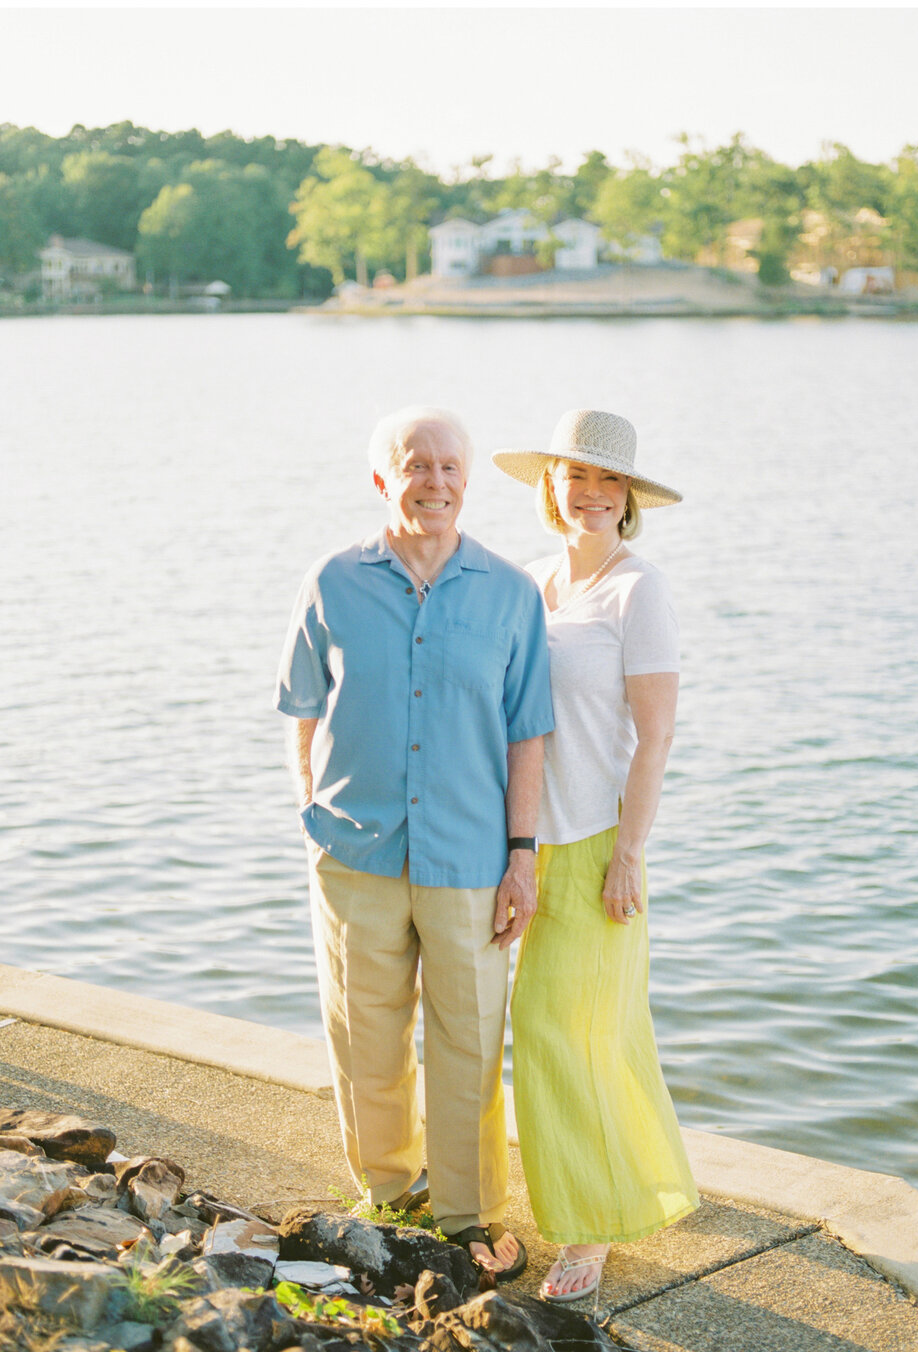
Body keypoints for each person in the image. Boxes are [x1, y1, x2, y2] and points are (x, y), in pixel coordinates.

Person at [274, 406, 553, 1280]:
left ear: (467, 480)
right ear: (381, 479)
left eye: (448, 468)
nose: (434, 482)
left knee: (470, 1038)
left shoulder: (509, 593)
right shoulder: (331, 581)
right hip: (354, 852)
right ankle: (390, 1192)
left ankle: (469, 1214)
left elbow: (528, 736)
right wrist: (309, 806)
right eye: (415, 466)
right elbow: (300, 709)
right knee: (366, 1030)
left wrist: (522, 855)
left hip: (471, 856)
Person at [492, 409, 699, 1303]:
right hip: (529, 842)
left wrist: (629, 854)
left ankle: (583, 1230)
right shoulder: (534, 584)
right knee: (593, 1033)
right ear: (550, 488)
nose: (587, 493)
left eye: (606, 481)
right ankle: (636, 1185)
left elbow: (655, 739)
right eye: (573, 477)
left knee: (558, 1031)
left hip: (596, 847)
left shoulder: (636, 590)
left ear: (627, 498)